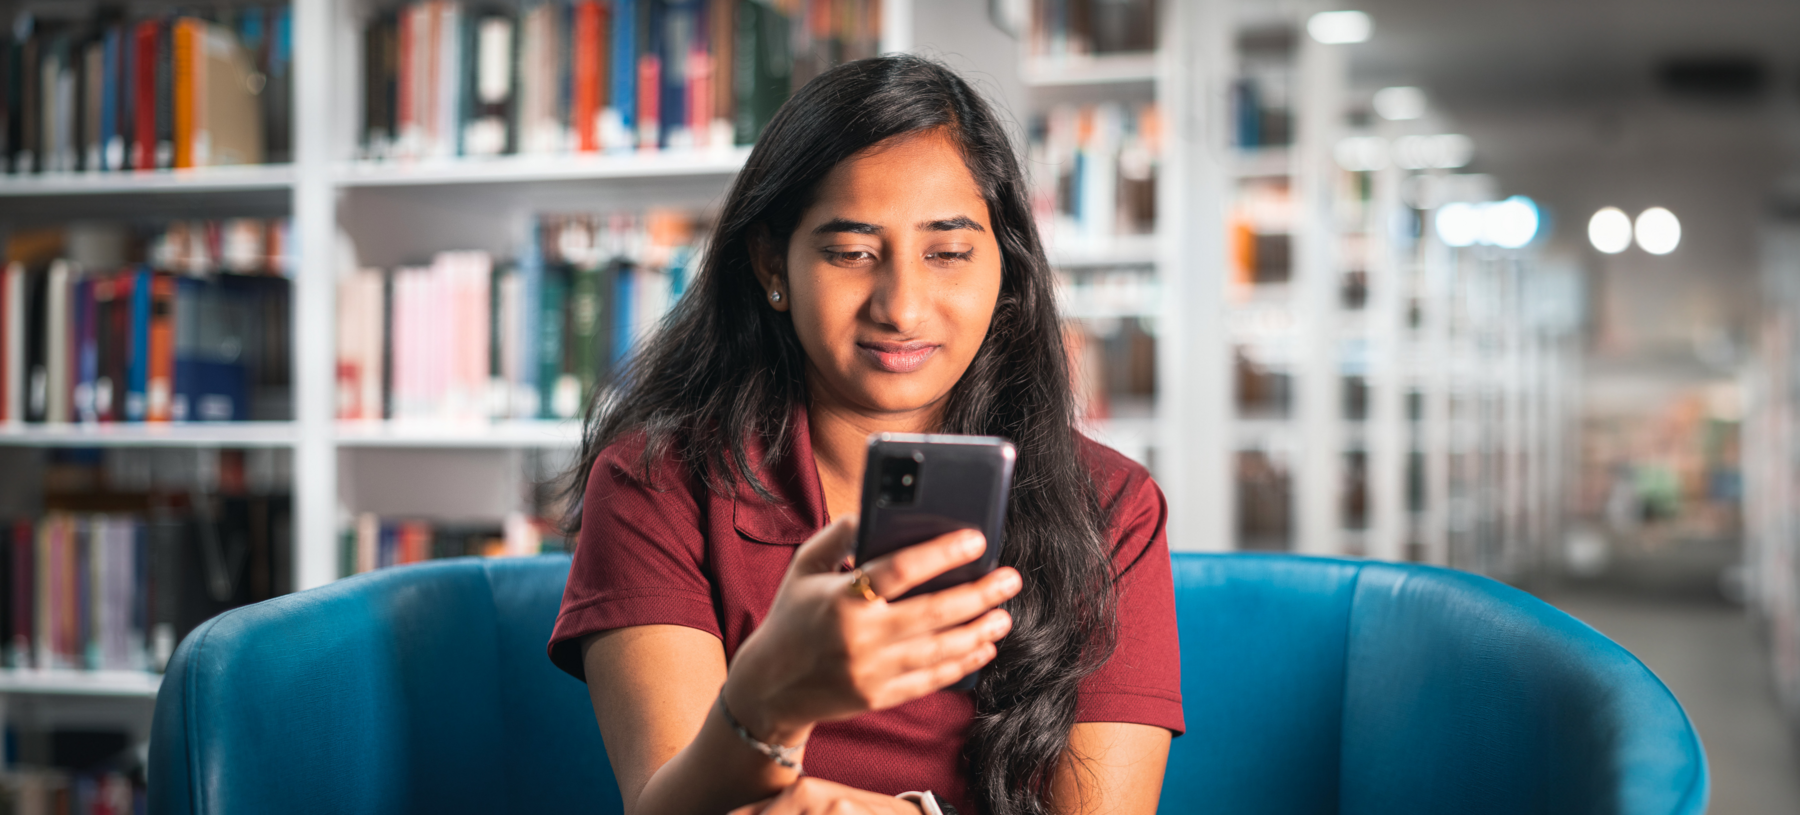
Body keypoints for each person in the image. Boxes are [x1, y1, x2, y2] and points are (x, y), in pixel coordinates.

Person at [548, 55, 1182, 815]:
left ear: (1004, 271)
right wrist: (768, 701)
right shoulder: (658, 482)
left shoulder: (1111, 505)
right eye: (851, 252)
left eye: (947, 253)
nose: (903, 306)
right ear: (771, 262)